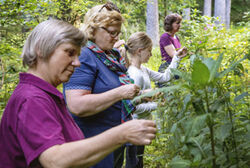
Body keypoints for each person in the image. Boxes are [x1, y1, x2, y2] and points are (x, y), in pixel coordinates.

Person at [0, 19, 157, 168]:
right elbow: (55, 160)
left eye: (77, 55)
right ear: (41, 49)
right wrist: (122, 133)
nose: (77, 62)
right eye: (69, 53)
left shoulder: (46, 94)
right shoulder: (32, 99)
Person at [63, 2, 141, 167]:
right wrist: (120, 93)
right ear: (93, 29)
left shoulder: (109, 56)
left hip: (112, 141)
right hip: (91, 145)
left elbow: (109, 90)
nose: (117, 38)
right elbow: (76, 105)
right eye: (112, 32)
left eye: (118, 33)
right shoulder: (84, 56)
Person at [121, 32, 187, 167]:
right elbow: (132, 107)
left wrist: (176, 58)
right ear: (140, 51)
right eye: (149, 51)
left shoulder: (143, 69)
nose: (151, 55)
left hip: (142, 124)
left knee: (139, 160)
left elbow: (165, 77)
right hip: (134, 126)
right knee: (134, 162)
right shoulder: (134, 74)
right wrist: (158, 105)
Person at [157, 13, 183, 87]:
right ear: (170, 24)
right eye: (177, 23)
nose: (179, 25)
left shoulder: (176, 37)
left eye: (180, 23)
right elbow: (173, 54)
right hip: (168, 66)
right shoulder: (165, 37)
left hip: (176, 66)